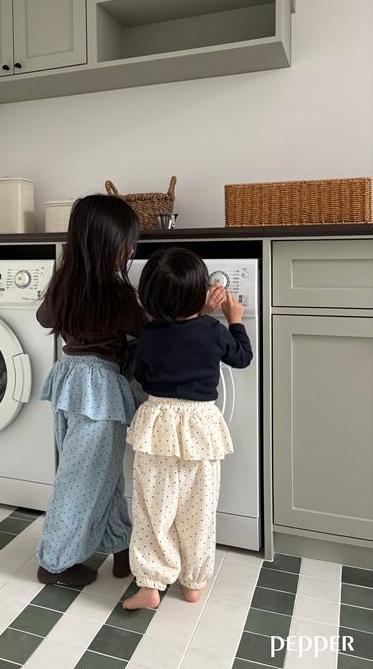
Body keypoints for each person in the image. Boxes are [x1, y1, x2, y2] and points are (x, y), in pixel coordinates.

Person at [123, 247, 253, 610]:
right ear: (201, 294)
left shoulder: (149, 334)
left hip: (157, 427)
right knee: (199, 509)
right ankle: (193, 583)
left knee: (153, 510)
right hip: (200, 428)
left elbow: (141, 375)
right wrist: (235, 320)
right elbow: (242, 357)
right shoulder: (212, 331)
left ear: (149, 297)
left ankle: (151, 584)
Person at [35, 194, 144, 587]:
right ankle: (54, 563)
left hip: (68, 382)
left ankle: (121, 546)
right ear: (109, 245)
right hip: (100, 392)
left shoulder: (64, 283)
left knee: (101, 473)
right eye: (128, 244)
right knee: (81, 481)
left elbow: (43, 317)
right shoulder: (117, 293)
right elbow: (144, 330)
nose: (131, 251)